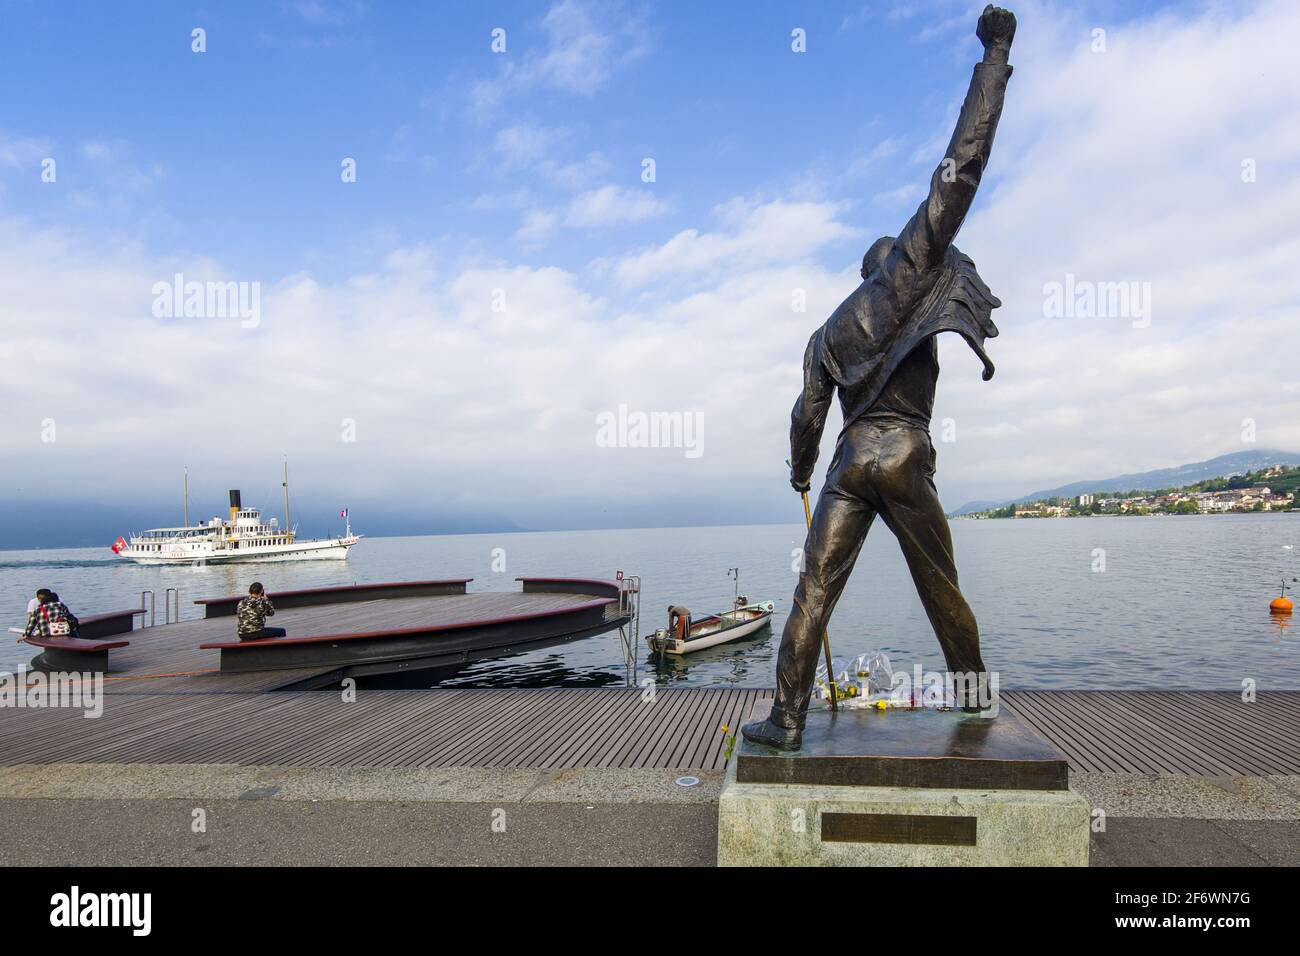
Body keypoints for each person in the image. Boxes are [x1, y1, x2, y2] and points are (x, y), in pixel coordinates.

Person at [743, 5, 1016, 751]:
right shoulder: (911, 275)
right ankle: (973, 699)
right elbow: (961, 167)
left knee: (813, 591)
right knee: (941, 586)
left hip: (848, 463)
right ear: (898, 264)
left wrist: (801, 471)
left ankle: (786, 719)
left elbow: (807, 413)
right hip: (903, 457)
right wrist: (995, 57)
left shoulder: (829, 330)